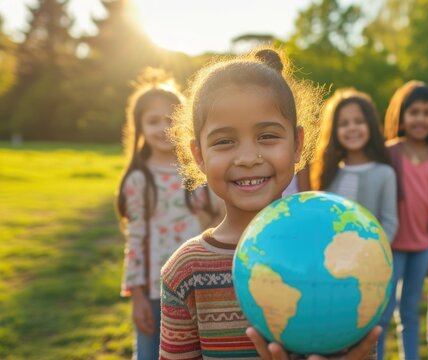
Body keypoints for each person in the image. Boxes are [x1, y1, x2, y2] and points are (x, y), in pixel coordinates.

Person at [159, 47, 380, 360]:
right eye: (224, 141)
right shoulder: (186, 270)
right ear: (199, 156)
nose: (248, 158)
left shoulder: (336, 248)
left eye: (267, 136)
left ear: (297, 145)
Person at [116, 69, 222, 360]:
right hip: (155, 289)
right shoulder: (139, 179)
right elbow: (135, 240)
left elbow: (217, 221)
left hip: (200, 282)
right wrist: (136, 296)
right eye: (152, 121)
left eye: (169, 120)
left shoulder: (198, 174)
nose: (162, 128)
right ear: (139, 127)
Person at [376, 81, 428, 360]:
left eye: (427, 113)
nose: (420, 118)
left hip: (424, 247)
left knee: (410, 311)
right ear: (401, 116)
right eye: (414, 112)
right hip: (391, 246)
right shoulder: (389, 153)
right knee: (382, 313)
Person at [310, 88, 398, 242]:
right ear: (333, 131)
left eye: (359, 121)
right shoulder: (328, 173)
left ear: (370, 125)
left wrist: (375, 252)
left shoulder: (385, 174)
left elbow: (389, 223)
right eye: (344, 124)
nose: (352, 128)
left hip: (369, 258)